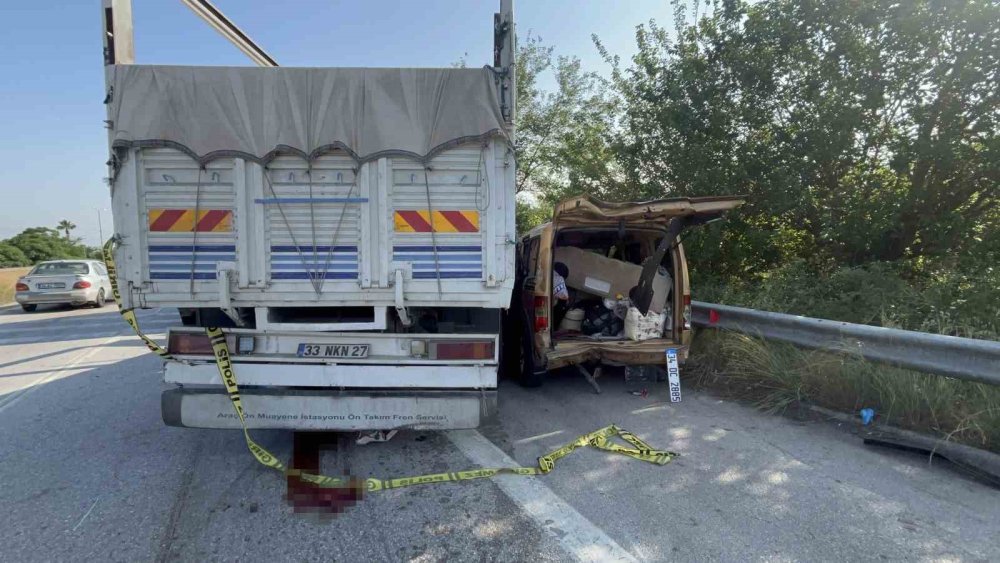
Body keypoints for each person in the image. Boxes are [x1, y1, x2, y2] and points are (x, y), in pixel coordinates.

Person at [552, 262, 570, 330]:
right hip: (553, 306)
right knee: (563, 305)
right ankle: (554, 328)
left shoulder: (548, 273)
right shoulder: (559, 279)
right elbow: (564, 296)